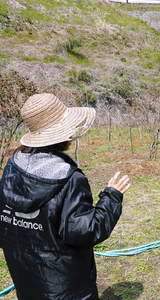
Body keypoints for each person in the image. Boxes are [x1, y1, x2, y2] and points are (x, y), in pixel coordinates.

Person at [0, 93, 130, 300]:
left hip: (27, 281)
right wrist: (111, 196)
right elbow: (85, 231)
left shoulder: (12, 168)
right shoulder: (68, 179)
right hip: (67, 289)